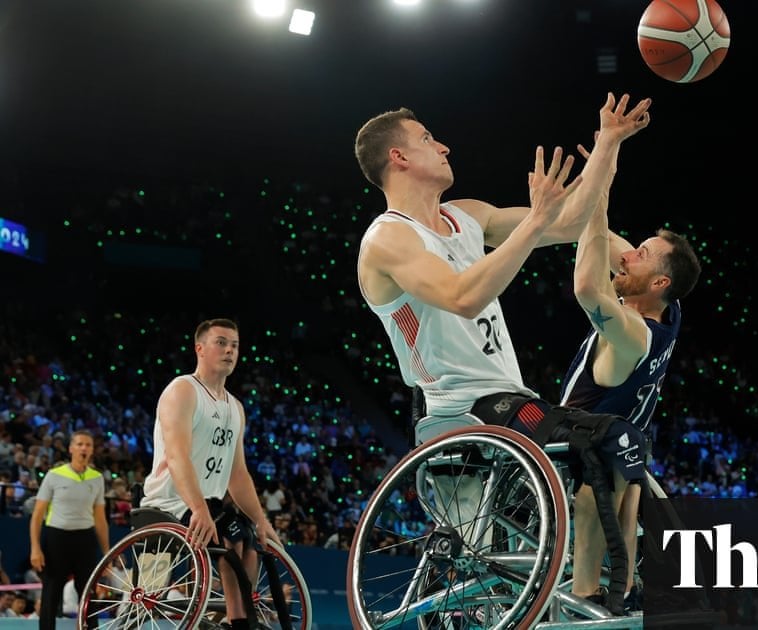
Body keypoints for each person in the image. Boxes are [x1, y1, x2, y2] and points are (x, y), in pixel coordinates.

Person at [354, 92, 651, 613]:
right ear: (397, 158)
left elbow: (569, 222)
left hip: (509, 404)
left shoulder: (467, 216)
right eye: (427, 138)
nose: (443, 145)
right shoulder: (388, 240)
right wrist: (535, 222)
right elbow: (463, 298)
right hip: (459, 410)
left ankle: (605, 585)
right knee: (612, 439)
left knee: (622, 448)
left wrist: (607, 143)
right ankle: (597, 595)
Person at [559, 133, 701, 606]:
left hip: (576, 444)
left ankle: (586, 591)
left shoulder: (633, 332)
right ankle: (620, 588)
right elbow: (605, 240)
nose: (627, 254)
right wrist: (607, 160)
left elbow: (585, 288)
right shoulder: (670, 311)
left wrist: (598, 190)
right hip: (622, 450)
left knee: (606, 471)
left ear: (659, 281)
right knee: (625, 465)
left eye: (640, 253)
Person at [139, 318, 280, 630]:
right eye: (221, 342)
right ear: (199, 348)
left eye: (234, 345)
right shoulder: (183, 390)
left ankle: (238, 619)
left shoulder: (235, 408)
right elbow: (177, 456)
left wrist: (262, 521)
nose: (229, 350)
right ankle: (239, 620)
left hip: (210, 505)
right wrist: (198, 507)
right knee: (232, 533)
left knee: (248, 536)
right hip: (171, 501)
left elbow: (238, 474)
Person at [29, 429, 108, 630]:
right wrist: (35, 548)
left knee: (88, 593)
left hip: (85, 539)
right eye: (80, 444)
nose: (84, 448)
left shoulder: (97, 478)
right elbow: (37, 515)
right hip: (57, 538)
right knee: (51, 594)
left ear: (92, 450)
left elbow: (100, 519)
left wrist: (107, 553)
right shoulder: (54, 475)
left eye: (88, 445)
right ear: (71, 448)